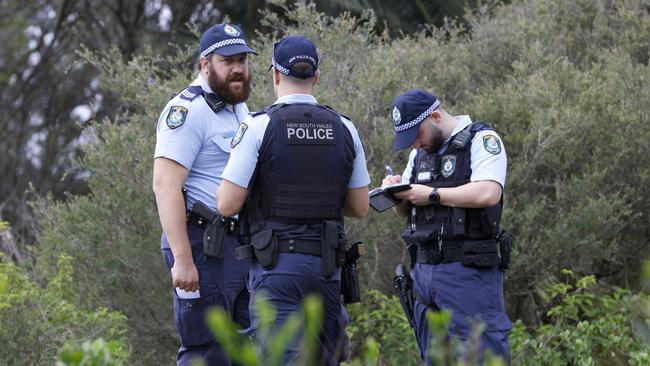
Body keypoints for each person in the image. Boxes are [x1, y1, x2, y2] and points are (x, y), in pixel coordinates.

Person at [216, 35, 370, 365]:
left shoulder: (258, 126)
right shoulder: (345, 128)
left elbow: (227, 205)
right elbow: (359, 207)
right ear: (315, 77)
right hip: (326, 269)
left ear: (274, 74)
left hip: (276, 269)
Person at [152, 23, 257, 366]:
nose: (238, 68)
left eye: (242, 59)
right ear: (205, 64)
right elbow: (165, 185)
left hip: (238, 247)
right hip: (200, 246)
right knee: (205, 353)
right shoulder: (187, 112)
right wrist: (183, 260)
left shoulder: (239, 108)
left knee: (246, 351)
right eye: (228, 60)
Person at [383, 90, 512, 363]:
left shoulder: (481, 140)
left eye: (417, 135)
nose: (415, 145)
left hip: (468, 271)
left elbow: (488, 192)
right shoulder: (418, 156)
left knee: (481, 355)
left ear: (436, 117)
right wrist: (395, 193)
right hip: (424, 272)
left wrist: (432, 194)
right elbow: (403, 211)